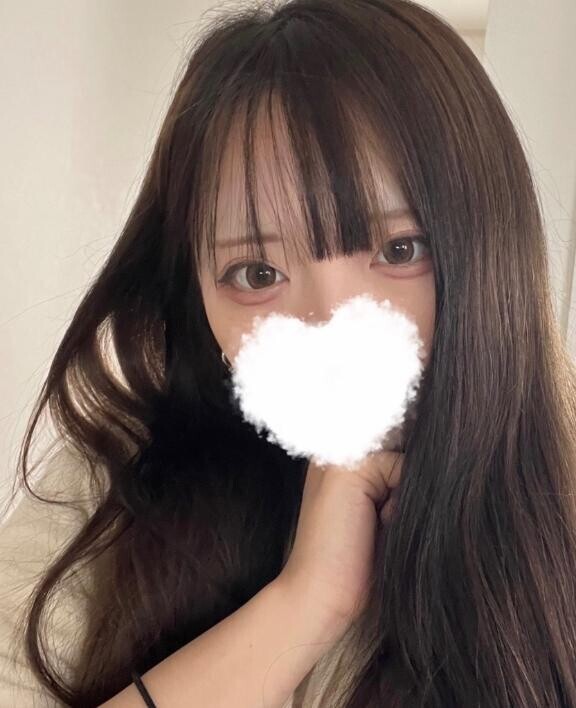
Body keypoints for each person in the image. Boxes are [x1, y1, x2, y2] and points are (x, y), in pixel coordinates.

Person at [2, 0, 576, 705]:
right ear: (195, 294)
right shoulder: (108, 486)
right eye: (257, 273)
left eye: (399, 250)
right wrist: (306, 602)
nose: (328, 326)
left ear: (491, 249)